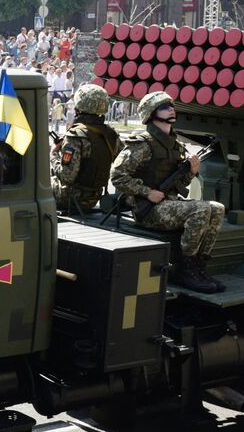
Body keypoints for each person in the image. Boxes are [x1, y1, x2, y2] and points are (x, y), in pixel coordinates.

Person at [110, 90, 225, 293]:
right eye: (164, 106)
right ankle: (185, 269)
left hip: (168, 204)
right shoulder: (142, 144)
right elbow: (117, 176)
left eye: (171, 105)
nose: (171, 109)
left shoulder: (176, 145)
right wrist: (147, 192)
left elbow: (180, 184)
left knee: (216, 208)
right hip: (148, 210)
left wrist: (191, 172)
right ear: (151, 113)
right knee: (200, 209)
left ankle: (198, 266)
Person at [51, 84, 118, 216]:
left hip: (72, 199)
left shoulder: (76, 135)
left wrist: (53, 154)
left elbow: (67, 177)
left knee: (37, 182)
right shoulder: (110, 134)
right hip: (94, 197)